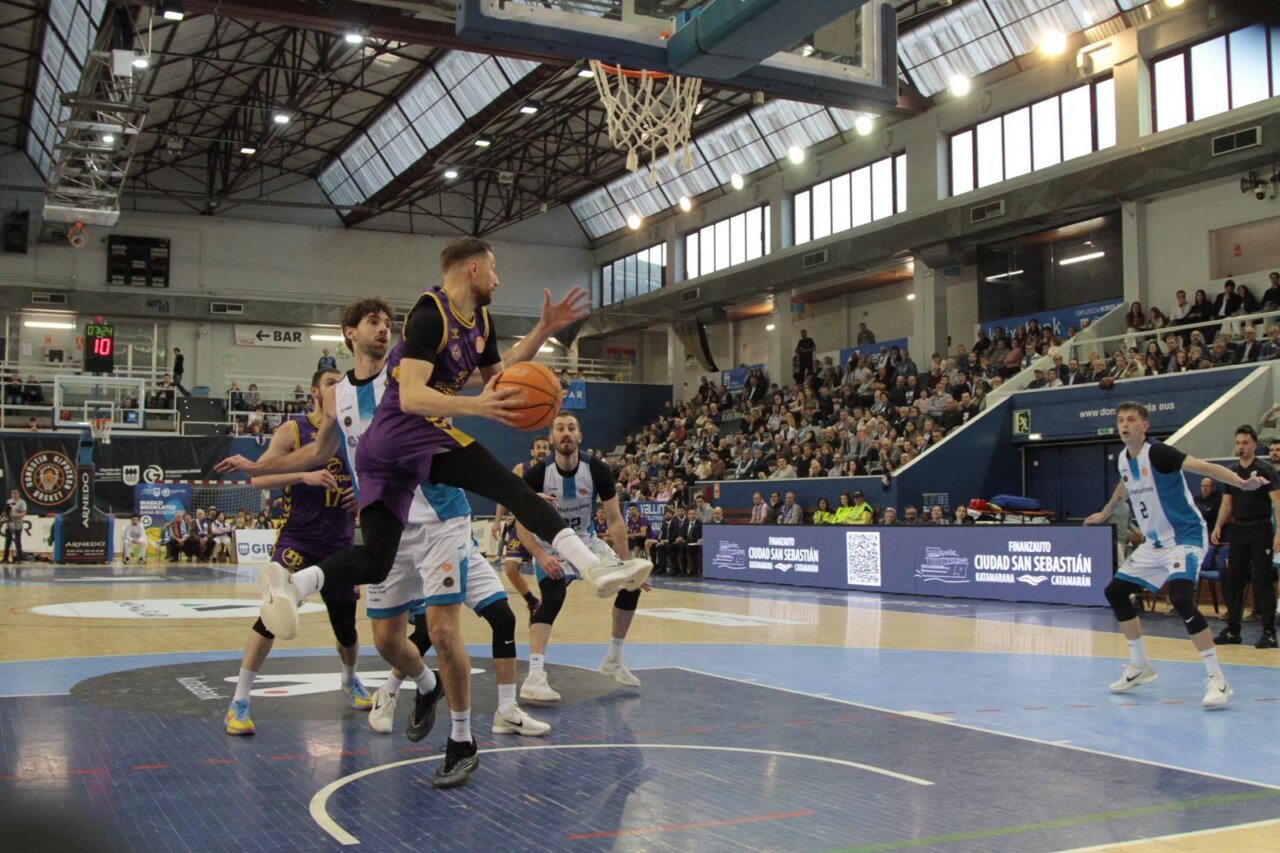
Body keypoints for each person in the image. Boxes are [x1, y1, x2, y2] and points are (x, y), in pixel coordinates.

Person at [217, 237, 650, 632]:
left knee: (374, 559)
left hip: (381, 456)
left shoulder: (481, 320)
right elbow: (410, 397)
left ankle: (294, 585)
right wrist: (473, 406)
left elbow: (500, 380)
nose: (499, 279)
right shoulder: (430, 315)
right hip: (403, 431)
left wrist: (541, 331)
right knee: (510, 486)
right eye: (494, 268)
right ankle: (592, 567)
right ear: (473, 269)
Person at [1084, 402, 1270, 709]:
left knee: (1182, 600)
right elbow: (1124, 485)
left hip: (1185, 537)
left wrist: (1241, 482)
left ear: (1145, 425)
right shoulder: (1122, 458)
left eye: (1131, 420)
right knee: (1115, 592)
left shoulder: (1159, 453)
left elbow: (1204, 467)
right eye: (1120, 420)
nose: (1124, 424)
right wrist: (1105, 512)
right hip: (1155, 543)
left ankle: (1217, 680)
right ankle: (1140, 665)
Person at [224, 367, 372, 738]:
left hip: (339, 542)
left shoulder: (355, 428)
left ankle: (349, 678)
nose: (338, 387)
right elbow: (259, 478)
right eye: (330, 383)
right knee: (271, 616)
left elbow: (375, 475)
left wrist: (365, 493)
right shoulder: (293, 430)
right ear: (314, 393)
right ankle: (239, 700)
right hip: (298, 541)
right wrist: (302, 475)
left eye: (342, 382)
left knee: (347, 628)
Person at [515, 412, 649, 704]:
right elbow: (521, 524)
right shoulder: (537, 474)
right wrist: (538, 554)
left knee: (632, 586)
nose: (566, 433)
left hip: (586, 541)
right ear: (551, 438)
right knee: (552, 599)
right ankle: (535, 675)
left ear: (580, 436)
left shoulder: (598, 469)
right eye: (560, 428)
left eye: (571, 428)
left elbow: (614, 520)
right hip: (550, 546)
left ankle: (613, 658)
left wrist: (626, 565)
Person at [1210, 425, 1278, 649]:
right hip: (1239, 530)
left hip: (1261, 530)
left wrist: (1279, 534)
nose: (1240, 447)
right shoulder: (1231, 472)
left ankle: (1268, 633)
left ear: (1255, 445)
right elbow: (1227, 503)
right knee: (1234, 580)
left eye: (1245, 443)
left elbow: (1278, 503)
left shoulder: (1266, 469)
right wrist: (1218, 526)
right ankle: (1232, 630)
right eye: (1238, 443)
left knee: (1262, 581)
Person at [491, 436, 552, 617]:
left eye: (545, 447)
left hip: (544, 527)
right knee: (510, 568)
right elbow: (505, 493)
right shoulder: (521, 468)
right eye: (538, 447)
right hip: (522, 525)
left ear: (549, 451)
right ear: (532, 451)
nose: (542, 450)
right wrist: (497, 521)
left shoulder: (555, 469)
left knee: (547, 573)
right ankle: (532, 601)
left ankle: (544, 611)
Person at [4, 489, 27, 563]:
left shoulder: (22, 502)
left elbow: (23, 513)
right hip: (9, 524)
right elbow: (6, 511)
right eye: (13, 493)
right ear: (11, 494)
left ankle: (19, 558)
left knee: (17, 541)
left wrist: (15, 515)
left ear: (18, 494)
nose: (15, 494)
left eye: (16, 493)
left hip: (18, 524)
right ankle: (5, 558)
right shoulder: (9, 501)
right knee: (8, 541)